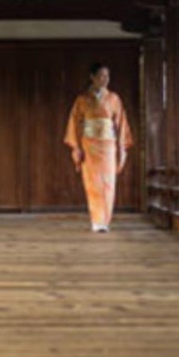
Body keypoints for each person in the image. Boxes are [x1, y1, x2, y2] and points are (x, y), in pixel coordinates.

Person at [63, 62, 133, 233]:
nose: (105, 79)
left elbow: (121, 123)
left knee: (109, 182)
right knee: (92, 183)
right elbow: (74, 123)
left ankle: (106, 220)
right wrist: (77, 146)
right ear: (92, 77)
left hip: (108, 145)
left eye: (107, 76)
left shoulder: (114, 99)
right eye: (101, 76)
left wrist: (122, 147)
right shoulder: (82, 100)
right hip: (89, 144)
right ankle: (97, 221)